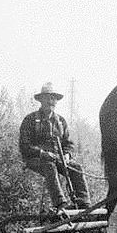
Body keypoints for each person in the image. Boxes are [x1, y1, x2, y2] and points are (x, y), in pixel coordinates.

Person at [19, 82, 91, 211]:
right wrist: (42, 153)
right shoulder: (29, 120)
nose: (50, 101)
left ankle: (83, 204)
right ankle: (60, 204)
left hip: (57, 158)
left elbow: (68, 143)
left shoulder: (60, 121)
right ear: (40, 100)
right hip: (35, 159)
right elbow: (24, 146)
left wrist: (67, 154)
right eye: (47, 98)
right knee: (49, 165)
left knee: (76, 167)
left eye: (53, 98)